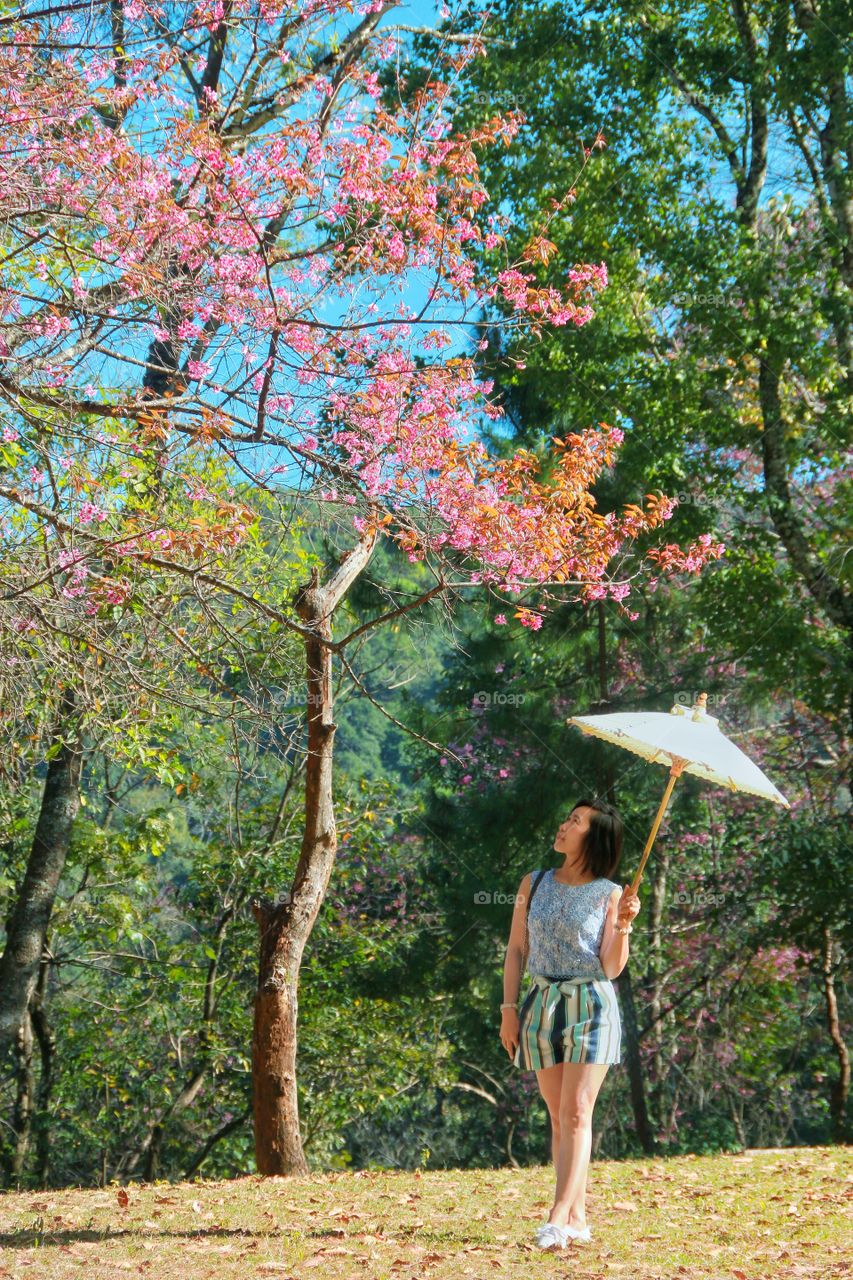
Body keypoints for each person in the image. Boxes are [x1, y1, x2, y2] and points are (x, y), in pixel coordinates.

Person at [499, 798, 641, 1252]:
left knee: (578, 1111)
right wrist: (508, 1009)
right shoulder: (533, 882)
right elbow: (516, 950)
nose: (564, 825)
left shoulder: (611, 893)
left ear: (593, 838)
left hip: (591, 1006)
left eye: (576, 822)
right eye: (568, 817)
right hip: (541, 1003)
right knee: (560, 1117)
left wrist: (622, 926)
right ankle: (578, 1216)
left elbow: (612, 968)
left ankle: (557, 1217)